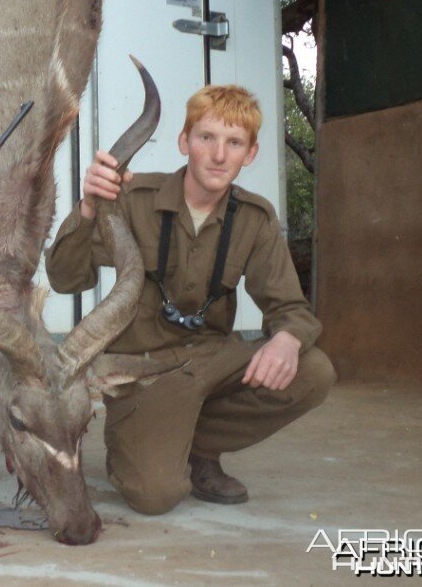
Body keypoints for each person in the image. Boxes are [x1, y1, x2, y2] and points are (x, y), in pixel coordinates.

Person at [46, 84, 335, 514]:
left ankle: (194, 447)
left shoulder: (255, 217)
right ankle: (138, 446)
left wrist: (287, 338)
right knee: (154, 495)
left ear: (249, 154)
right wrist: (88, 209)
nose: (219, 155)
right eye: (207, 138)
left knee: (312, 369)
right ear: (185, 142)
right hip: (141, 370)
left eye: (234, 142)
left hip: (208, 360)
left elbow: (290, 309)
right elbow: (65, 279)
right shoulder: (132, 200)